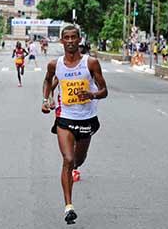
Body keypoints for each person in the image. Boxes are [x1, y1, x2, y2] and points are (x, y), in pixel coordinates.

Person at [42, 25, 108, 225]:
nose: (70, 41)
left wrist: (92, 94)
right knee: (68, 159)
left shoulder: (91, 63)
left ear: (79, 39)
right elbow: (48, 82)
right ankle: (68, 207)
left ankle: (75, 167)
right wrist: (47, 100)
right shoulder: (55, 64)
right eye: (66, 38)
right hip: (65, 117)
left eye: (73, 37)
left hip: (87, 118)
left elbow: (104, 91)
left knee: (79, 159)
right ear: (61, 41)